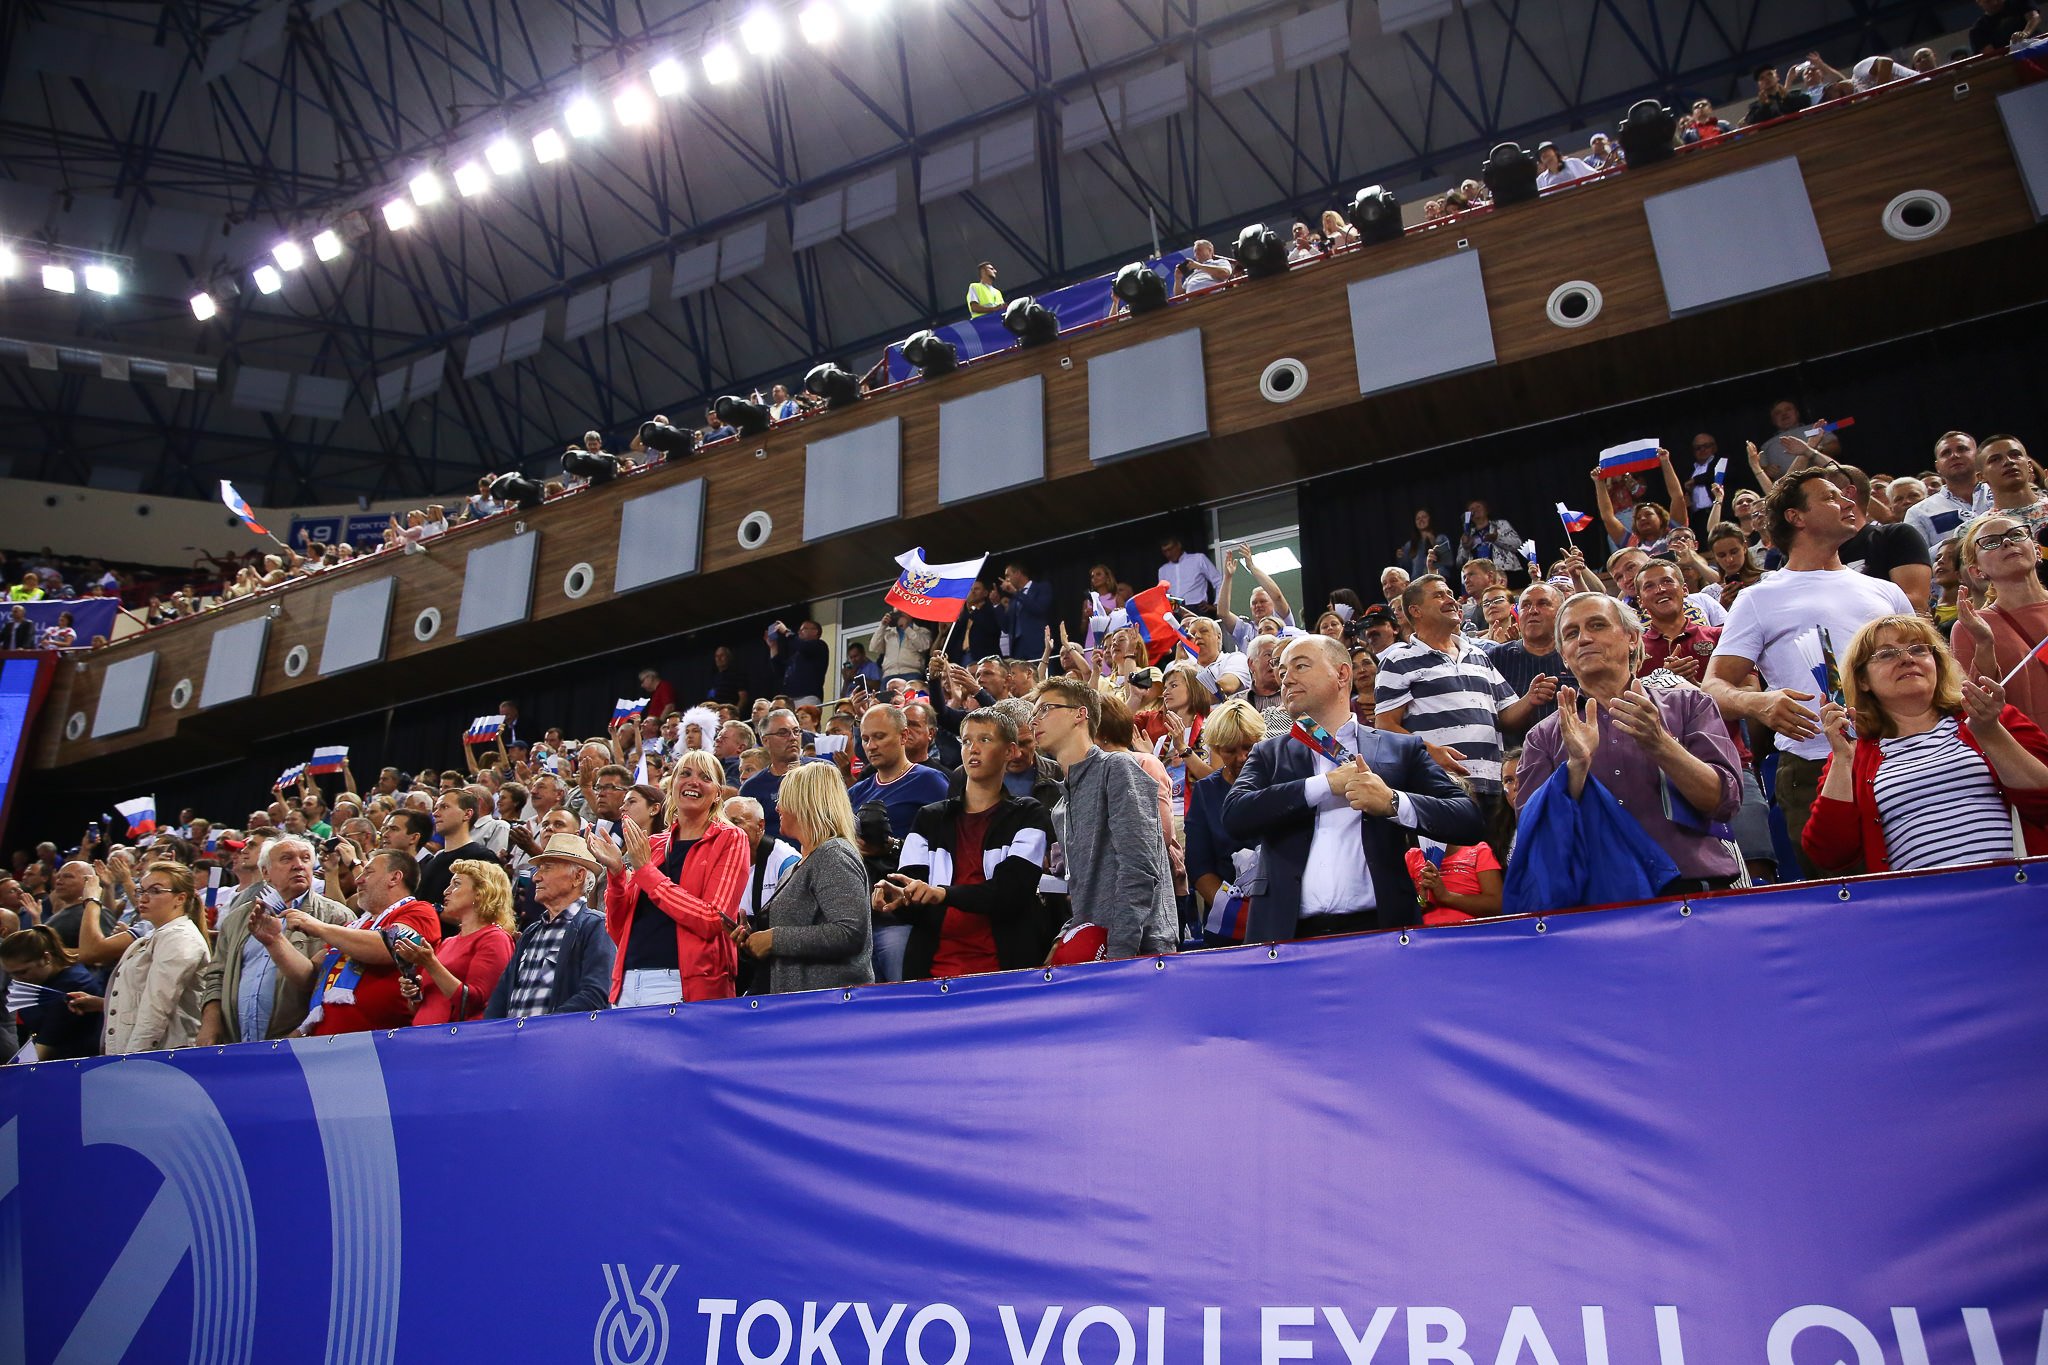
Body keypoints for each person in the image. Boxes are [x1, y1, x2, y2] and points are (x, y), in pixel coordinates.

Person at [1706, 469, 1914, 866]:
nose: (1848, 502)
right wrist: (1758, 703)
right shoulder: (1757, 598)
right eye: (1831, 497)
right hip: (1815, 765)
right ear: (1796, 516)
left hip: (1903, 753)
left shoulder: (1887, 590)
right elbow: (1712, 687)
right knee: (1843, 892)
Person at [1223, 635, 1484, 939]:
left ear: (1342, 674)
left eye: (1300, 666)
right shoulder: (1268, 754)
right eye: (1282, 672)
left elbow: (1468, 819)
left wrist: (1393, 802)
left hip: (1381, 932)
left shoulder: (1401, 749)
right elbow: (1234, 816)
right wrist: (1323, 785)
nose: (1286, 679)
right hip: (1287, 937)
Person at [1519, 594, 1745, 891]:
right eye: (1571, 634)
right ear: (1564, 656)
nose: (1584, 638)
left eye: (1597, 625)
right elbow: (1535, 835)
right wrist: (1575, 770)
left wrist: (1660, 744)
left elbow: (1724, 802)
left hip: (1691, 890)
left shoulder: (1690, 704)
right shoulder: (1542, 737)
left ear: (1632, 638)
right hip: (1597, 899)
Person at [1806, 615, 2048, 872]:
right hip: (1922, 896)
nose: (1907, 659)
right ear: (1863, 680)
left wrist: (1991, 733)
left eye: (1918, 649)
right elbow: (1830, 854)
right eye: (1887, 654)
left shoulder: (1993, 718)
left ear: (1937, 664)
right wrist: (1842, 760)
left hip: (2016, 887)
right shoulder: (1852, 753)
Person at [884, 707, 1054, 978]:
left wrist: (943, 894)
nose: (973, 749)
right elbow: (913, 895)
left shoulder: (1029, 814)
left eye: (984, 740)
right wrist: (896, 899)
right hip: (932, 970)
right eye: (966, 741)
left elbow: (1012, 892)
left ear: (1010, 751)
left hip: (1004, 971)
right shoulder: (929, 818)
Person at [1376, 575, 1554, 828]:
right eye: (1439, 595)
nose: (1451, 599)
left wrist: (1529, 699)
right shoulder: (1397, 660)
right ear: (1416, 611)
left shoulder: (1479, 655)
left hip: (1492, 786)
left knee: (1493, 853)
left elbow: (1505, 716)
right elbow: (1385, 726)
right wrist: (1429, 751)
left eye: (1450, 593)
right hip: (1440, 786)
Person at [1029, 677, 1178, 959]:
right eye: (1033, 714)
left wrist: (1118, 954)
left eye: (1045, 709)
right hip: (1096, 952)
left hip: (1140, 952)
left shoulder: (1117, 767)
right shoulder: (1060, 807)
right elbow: (1083, 893)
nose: (1034, 721)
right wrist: (1063, 941)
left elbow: (1139, 869)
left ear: (1080, 714)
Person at [591, 751, 749, 1006]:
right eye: (684, 774)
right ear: (673, 785)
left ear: (718, 793)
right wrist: (617, 873)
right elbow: (618, 928)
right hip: (627, 981)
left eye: (705, 777)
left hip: (685, 984)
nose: (693, 781)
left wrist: (646, 872)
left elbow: (712, 919)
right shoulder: (653, 844)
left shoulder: (731, 838)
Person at [196, 835, 352, 1045]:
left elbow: (330, 985)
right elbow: (216, 975)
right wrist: (210, 1023)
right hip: (236, 1042)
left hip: (300, 1045)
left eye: (305, 858)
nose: (298, 865)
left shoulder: (336, 917)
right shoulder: (237, 919)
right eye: (287, 859)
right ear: (265, 873)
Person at [735, 763, 874, 992]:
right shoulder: (797, 866)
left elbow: (849, 932)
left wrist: (773, 940)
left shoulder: (834, 854)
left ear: (804, 804)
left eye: (784, 799)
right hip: (799, 1000)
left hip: (830, 1003)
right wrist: (753, 939)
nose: (777, 807)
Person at [485, 834, 616, 1018]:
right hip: (516, 1035)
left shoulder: (596, 926)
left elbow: (596, 995)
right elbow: (500, 998)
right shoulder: (531, 932)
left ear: (578, 876)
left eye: (547, 868)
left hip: (559, 1035)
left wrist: (545, 1027)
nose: (535, 877)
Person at [91, 862, 211, 1055]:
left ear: (180, 898)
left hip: (162, 1057)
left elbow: (157, 1006)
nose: (144, 898)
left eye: (155, 891)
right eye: (141, 890)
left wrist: (134, 1058)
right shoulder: (156, 935)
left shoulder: (180, 938)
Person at [1954, 513, 2048, 730]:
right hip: (2029, 746)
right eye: (1990, 542)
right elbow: (1976, 707)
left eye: (2016, 535)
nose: (2007, 542)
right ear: (1977, 571)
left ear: (2036, 551)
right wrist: (1984, 643)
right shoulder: (1970, 626)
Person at [397, 860, 517, 1025]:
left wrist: (431, 964)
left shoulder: (495, 939)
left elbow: (474, 1003)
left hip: (457, 1037)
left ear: (481, 892)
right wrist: (415, 995)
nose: (446, 891)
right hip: (424, 1033)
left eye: (456, 884)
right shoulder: (448, 942)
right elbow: (427, 1006)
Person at [1184, 699, 1264, 945]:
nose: (1242, 757)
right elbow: (1199, 866)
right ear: (1216, 749)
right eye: (1230, 750)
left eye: (1249, 747)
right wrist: (1235, 912)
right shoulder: (1206, 791)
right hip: (1227, 919)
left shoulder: (1280, 779)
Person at [1831, 463, 1933, 614]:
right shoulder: (1807, 554)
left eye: (1823, 497)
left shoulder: (1895, 537)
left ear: (1847, 495)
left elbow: (1914, 606)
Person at [1488, 582, 1574, 743]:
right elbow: (1488, 718)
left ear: (1561, 613)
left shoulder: (1577, 654)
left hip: (1572, 751)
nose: (1533, 610)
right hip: (1514, 755)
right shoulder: (1494, 658)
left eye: (1543, 603)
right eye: (1526, 605)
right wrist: (1528, 701)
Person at [1, 926, 102, 1060]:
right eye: (11, 974)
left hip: (78, 1064)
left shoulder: (72, 986)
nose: (16, 979)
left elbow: (44, 1050)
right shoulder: (43, 981)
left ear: (46, 957)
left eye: (22, 972)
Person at [739, 708, 831, 845]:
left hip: (824, 851)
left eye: (796, 731)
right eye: (783, 733)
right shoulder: (752, 788)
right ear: (765, 741)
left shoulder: (823, 771)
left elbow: (844, 814)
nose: (793, 737)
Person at [1904, 431, 1991, 552]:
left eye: (1962, 449)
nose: (1954, 455)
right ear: (1937, 467)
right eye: (1946, 453)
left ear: (1978, 457)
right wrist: (1951, 547)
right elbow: (1917, 558)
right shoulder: (1917, 513)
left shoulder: (2004, 492)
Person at [418, 789, 504, 908]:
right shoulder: (433, 861)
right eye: (435, 808)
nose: (435, 814)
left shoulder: (482, 858)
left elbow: (491, 907)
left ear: (467, 814)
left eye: (444, 807)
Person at [995, 561, 1054, 658]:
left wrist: (1016, 593)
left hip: (1037, 646)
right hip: (1017, 649)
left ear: (1018, 573)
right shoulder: (1014, 599)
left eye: (1008, 576)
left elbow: (1039, 609)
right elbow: (1006, 627)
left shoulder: (1041, 588)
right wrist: (997, 604)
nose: (1006, 580)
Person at [765, 619, 829, 705]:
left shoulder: (820, 645)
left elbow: (803, 647)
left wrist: (786, 632)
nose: (799, 632)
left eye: (803, 629)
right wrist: (773, 647)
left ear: (815, 631)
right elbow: (779, 670)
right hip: (789, 699)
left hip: (807, 696)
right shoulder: (796, 655)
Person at [1158, 535, 1222, 614]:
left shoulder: (1198, 559)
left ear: (1178, 545)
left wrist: (1217, 605)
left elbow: (1218, 580)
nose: (1168, 554)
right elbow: (1162, 593)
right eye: (1165, 551)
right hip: (1175, 610)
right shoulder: (1163, 570)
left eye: (1170, 549)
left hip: (1197, 608)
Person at [868, 612, 933, 684]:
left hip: (911, 673)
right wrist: (882, 626)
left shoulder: (921, 631)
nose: (899, 616)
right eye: (897, 613)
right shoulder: (888, 632)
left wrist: (907, 628)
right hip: (889, 674)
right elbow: (873, 647)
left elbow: (924, 646)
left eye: (902, 613)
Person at [1743, 63, 1813, 124]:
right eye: (1762, 78)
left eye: (1770, 74)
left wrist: (1787, 98)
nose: (1766, 78)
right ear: (1759, 85)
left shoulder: (1794, 95)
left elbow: (1807, 101)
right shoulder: (1756, 106)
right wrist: (1764, 106)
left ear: (1777, 77)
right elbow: (1750, 121)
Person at [1397, 510, 1455, 579]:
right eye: (1418, 518)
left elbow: (1448, 563)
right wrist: (1400, 558)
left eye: (1424, 517)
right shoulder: (1409, 545)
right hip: (1418, 581)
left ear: (1430, 519)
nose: (1421, 520)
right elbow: (1406, 569)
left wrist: (1434, 543)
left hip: (1438, 579)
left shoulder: (1441, 538)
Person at [1973, 0, 2042, 54]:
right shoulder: (1978, 29)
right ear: (1979, 2)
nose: (1995, 3)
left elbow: (2034, 17)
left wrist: (2026, 33)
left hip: (2038, 48)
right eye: (1988, 1)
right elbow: (1992, 55)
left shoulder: (2019, 2)